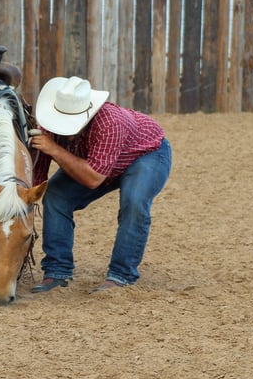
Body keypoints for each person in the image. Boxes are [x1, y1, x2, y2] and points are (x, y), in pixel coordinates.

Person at [28, 76, 172, 293]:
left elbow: (93, 178)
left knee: (134, 203)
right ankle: (57, 271)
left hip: (145, 154)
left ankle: (121, 275)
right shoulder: (49, 125)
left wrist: (54, 149)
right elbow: (36, 178)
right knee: (56, 196)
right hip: (97, 162)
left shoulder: (110, 122)